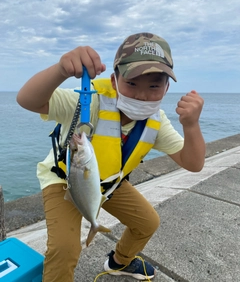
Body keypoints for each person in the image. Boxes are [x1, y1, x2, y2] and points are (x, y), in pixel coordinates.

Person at [17, 32, 205, 282]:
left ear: (167, 88)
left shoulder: (157, 122)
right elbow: (28, 100)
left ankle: (119, 262)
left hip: (107, 184)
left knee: (147, 223)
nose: (141, 95)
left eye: (154, 86)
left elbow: (193, 164)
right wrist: (61, 69)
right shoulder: (89, 101)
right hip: (66, 180)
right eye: (132, 83)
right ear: (114, 81)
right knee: (64, 249)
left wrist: (191, 125)